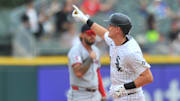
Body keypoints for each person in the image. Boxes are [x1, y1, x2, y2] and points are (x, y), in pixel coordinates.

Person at [72, 5, 154, 101]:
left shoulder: (131, 52)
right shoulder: (115, 40)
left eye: (111, 25)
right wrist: (85, 19)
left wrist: (123, 88)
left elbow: (148, 77)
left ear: (118, 29)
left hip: (131, 96)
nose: (109, 27)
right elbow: (102, 33)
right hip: (122, 95)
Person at [67, 24, 107, 101]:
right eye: (89, 33)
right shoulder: (76, 51)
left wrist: (103, 94)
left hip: (95, 94)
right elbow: (78, 72)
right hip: (79, 94)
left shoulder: (96, 50)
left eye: (94, 33)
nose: (92, 36)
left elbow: (97, 73)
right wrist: (90, 59)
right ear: (82, 35)